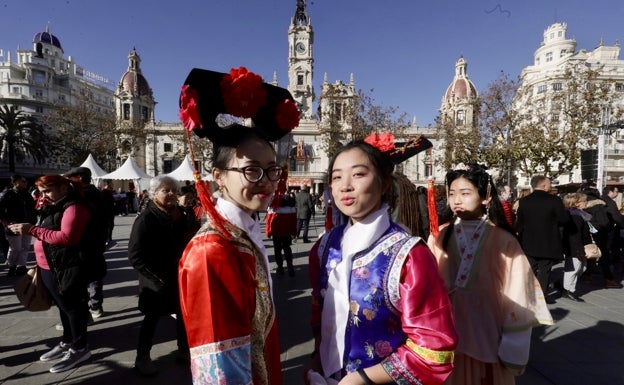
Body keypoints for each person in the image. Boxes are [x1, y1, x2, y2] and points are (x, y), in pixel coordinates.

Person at [178, 66, 301, 384]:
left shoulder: (243, 235)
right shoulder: (212, 252)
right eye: (251, 170)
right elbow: (220, 367)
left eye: (272, 169)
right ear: (218, 176)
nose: (266, 181)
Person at [307, 133, 457, 385]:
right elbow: (320, 315)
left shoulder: (409, 255)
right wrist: (315, 359)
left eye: (358, 174)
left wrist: (362, 379)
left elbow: (434, 348)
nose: (345, 185)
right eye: (336, 177)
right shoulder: (325, 247)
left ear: (384, 183)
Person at [428, 163, 553, 385]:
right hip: (448, 334)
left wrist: (514, 343)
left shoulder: (503, 240)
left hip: (488, 333)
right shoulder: (439, 236)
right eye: (452, 194)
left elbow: (518, 293)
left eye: (465, 193)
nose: (456, 200)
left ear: (485, 197)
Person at [8, 175, 96, 373]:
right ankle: (67, 341)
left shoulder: (74, 207)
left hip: (67, 267)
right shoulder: (55, 204)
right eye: (41, 192)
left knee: (72, 308)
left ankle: (80, 348)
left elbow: (67, 238)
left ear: (63, 188)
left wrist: (31, 230)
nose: (44, 195)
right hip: (50, 265)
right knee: (63, 307)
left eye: (47, 190)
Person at [127, 175, 195, 376]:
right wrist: (156, 279)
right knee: (151, 320)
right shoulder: (146, 218)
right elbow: (135, 255)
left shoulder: (179, 215)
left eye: (174, 190)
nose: (172, 194)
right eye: (166, 190)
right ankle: (142, 358)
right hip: (156, 281)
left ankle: (184, 351)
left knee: (183, 316)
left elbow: (187, 238)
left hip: (179, 277)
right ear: (154, 193)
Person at [515, 175, 569, 303]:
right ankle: (541, 296)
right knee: (544, 269)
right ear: (544, 185)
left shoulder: (524, 201)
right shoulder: (554, 200)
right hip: (548, 240)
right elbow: (564, 219)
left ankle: (528, 294)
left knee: (530, 269)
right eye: (549, 184)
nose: (551, 186)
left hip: (528, 240)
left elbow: (520, 222)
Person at [64, 166, 108, 319]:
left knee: (81, 278)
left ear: (80, 178)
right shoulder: (100, 193)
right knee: (94, 275)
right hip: (97, 240)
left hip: (83, 241)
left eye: (71, 178)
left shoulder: (80, 195)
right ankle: (96, 306)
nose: (69, 182)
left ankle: (87, 311)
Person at [0, 175, 37, 276]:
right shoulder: (7, 194)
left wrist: (33, 222)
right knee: (15, 248)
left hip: (27, 225)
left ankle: (21, 266)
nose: (26, 183)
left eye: (26, 181)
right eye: (23, 181)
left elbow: (32, 209)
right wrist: (6, 222)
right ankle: (12, 266)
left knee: (25, 246)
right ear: (15, 182)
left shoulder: (27, 194)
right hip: (14, 226)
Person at [266, 169, 298, 276]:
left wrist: (268, 231)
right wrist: (294, 231)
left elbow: (269, 219)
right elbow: (293, 218)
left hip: (276, 231)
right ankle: (290, 264)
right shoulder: (290, 199)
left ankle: (280, 267)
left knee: (277, 250)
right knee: (287, 248)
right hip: (286, 231)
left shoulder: (273, 201)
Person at [561, 192, 591, 302]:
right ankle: (568, 290)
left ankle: (565, 285)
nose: (586, 203)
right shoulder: (575, 216)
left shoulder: (579, 215)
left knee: (582, 267)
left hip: (578, 245)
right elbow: (574, 235)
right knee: (573, 268)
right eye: (584, 201)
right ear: (577, 203)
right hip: (574, 247)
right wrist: (578, 250)